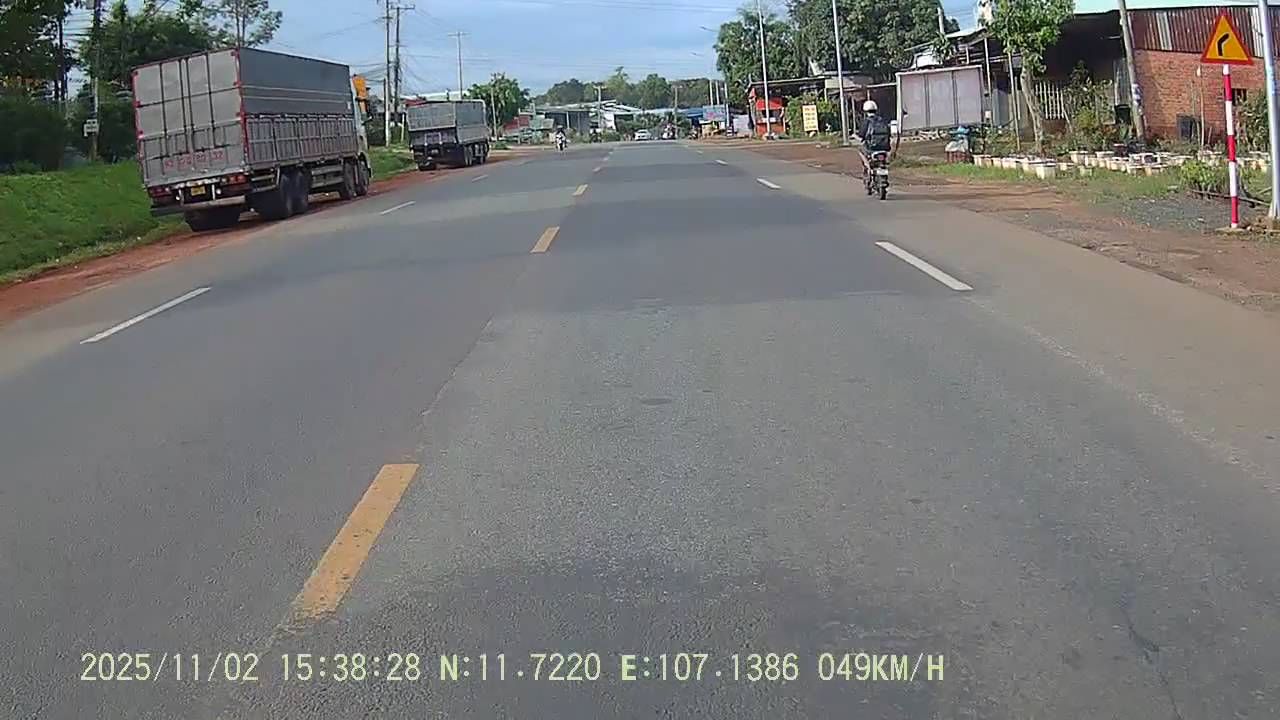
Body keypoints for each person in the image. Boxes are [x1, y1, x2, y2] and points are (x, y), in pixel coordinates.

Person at [857, 99, 892, 175]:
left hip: (871, 148)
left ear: (865, 111)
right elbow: (889, 133)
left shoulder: (867, 121)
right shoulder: (882, 121)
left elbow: (861, 135)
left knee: (860, 151)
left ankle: (868, 168)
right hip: (885, 148)